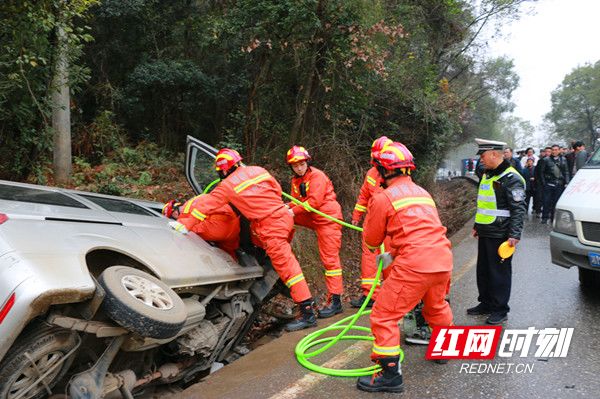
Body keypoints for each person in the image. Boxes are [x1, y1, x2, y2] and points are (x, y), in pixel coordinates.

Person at [356, 142, 453, 393]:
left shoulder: (383, 197)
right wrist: (393, 254)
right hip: (442, 260)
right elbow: (421, 231)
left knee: (384, 315)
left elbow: (371, 240)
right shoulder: (422, 192)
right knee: (436, 306)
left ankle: (390, 375)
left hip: (415, 264)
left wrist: (388, 249)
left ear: (382, 170)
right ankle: (444, 350)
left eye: (377, 169)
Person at [192, 148, 317, 331]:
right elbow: (275, 188)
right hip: (282, 218)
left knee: (289, 269)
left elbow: (207, 204)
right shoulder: (257, 170)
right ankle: (304, 303)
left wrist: (185, 223)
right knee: (277, 259)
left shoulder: (227, 185)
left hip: (271, 226)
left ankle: (308, 313)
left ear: (224, 170)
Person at [468, 138, 526, 325]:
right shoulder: (488, 174)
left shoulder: (511, 178)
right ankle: (485, 303)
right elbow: (484, 204)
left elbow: (518, 209)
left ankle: (500, 309)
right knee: (483, 271)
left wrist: (514, 235)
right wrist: (477, 226)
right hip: (485, 231)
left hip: (501, 234)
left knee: (499, 273)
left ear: (494, 154)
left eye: (483, 156)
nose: (481, 160)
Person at [286, 145, 344, 318]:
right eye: (295, 165)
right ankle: (281, 246)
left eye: (301, 164)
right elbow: (295, 201)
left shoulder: (317, 176)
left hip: (328, 219)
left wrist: (291, 211)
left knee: (330, 261)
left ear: (307, 162)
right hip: (313, 217)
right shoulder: (295, 180)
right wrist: (284, 208)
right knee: (283, 217)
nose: (299, 167)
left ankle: (336, 301)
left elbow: (314, 202)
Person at [350, 136, 392, 308]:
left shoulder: (395, 174)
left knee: (389, 258)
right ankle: (370, 295)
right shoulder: (371, 174)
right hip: (372, 222)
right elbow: (363, 197)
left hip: (390, 224)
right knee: (369, 259)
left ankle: (390, 294)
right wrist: (356, 217)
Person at [162, 196, 240, 259]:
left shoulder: (184, 215)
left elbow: (185, 231)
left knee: (188, 232)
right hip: (234, 223)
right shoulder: (195, 199)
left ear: (174, 213)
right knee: (229, 252)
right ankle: (236, 265)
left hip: (218, 229)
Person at [539, 144, 569, 224]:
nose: (554, 151)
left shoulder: (563, 159)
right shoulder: (546, 160)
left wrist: (567, 182)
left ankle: (553, 218)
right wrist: (544, 183)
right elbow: (541, 173)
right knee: (546, 201)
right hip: (548, 183)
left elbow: (566, 172)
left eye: (556, 150)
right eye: (553, 150)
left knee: (556, 202)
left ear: (559, 150)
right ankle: (544, 217)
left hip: (559, 184)